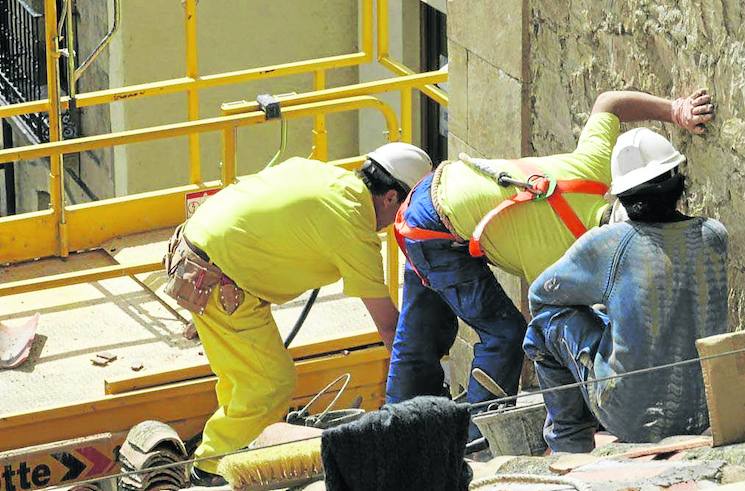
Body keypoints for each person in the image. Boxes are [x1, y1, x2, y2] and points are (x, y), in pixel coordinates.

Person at [387, 89, 715, 440]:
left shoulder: (593, 170)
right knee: (507, 333)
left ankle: (392, 430)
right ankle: (473, 442)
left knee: (419, 336)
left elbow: (609, 103)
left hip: (438, 191)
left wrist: (676, 110)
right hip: (431, 231)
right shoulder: (556, 260)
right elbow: (549, 325)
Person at [162, 143, 433, 485]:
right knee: (270, 383)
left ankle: (228, 452)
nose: (405, 218)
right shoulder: (353, 226)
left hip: (201, 252)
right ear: (391, 197)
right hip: (219, 277)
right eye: (408, 206)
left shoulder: (329, 177)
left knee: (243, 379)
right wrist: (421, 393)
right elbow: (390, 328)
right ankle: (212, 471)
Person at [524, 127, 729, 452]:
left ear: (622, 195)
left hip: (631, 419)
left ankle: (569, 442)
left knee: (545, 326)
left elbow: (540, 296)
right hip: (705, 410)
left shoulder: (609, 244)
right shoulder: (715, 234)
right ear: (679, 182)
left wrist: (599, 319)